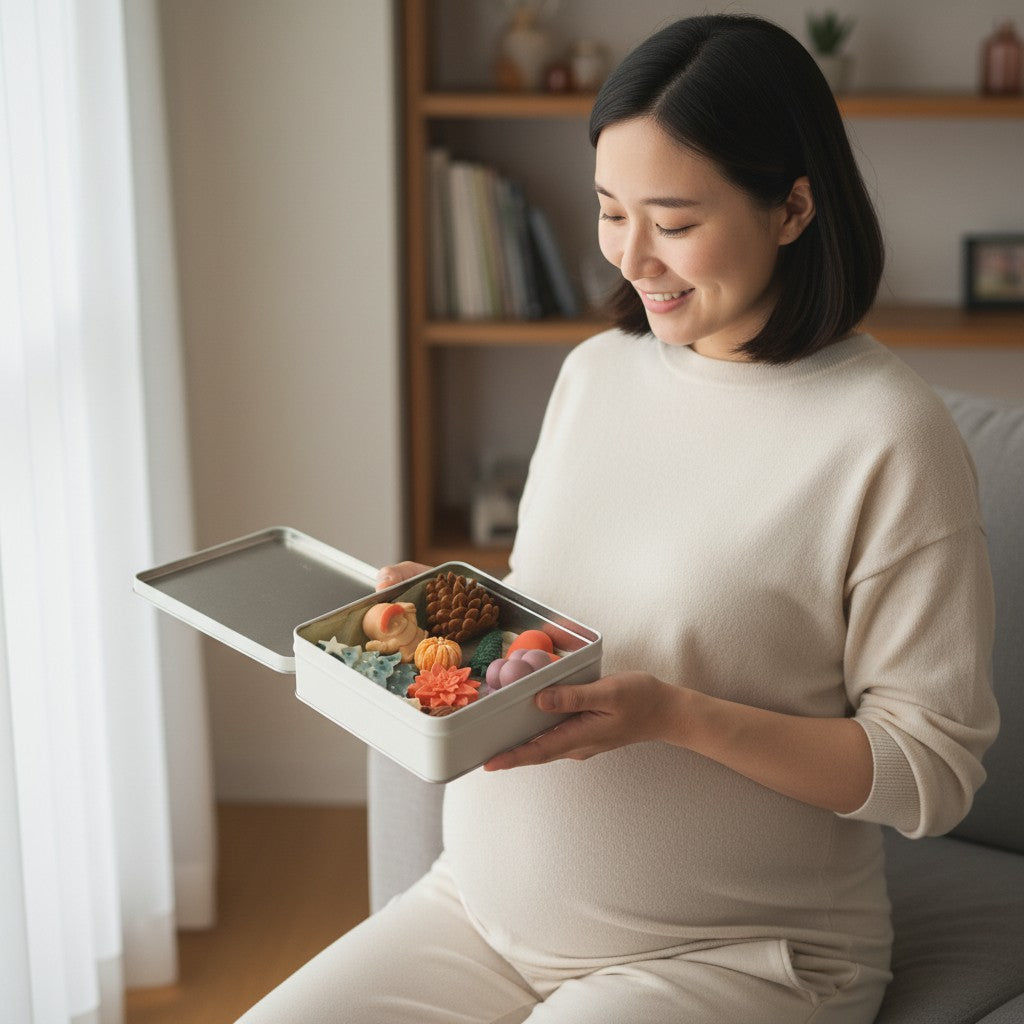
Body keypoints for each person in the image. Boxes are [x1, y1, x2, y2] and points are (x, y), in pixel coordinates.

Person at [238, 14, 998, 1024]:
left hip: (737, 957)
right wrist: (449, 612)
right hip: (479, 913)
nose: (634, 258)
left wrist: (677, 715)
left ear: (792, 207)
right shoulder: (595, 373)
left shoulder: (887, 434)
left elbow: (929, 771)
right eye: (608, 210)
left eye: (674, 222)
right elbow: (564, 619)